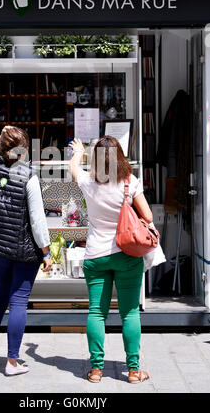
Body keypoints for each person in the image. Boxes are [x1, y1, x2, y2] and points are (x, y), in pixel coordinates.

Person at [69, 136, 152, 384]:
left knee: (97, 312)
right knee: (129, 313)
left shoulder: (88, 182)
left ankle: (96, 370)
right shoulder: (130, 182)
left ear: (96, 160)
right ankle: (134, 371)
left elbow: (73, 169)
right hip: (127, 255)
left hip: (96, 255)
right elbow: (147, 216)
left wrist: (79, 152)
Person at [0, 126, 52, 376]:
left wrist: (3, 134)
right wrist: (46, 253)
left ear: (1, 147)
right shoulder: (27, 175)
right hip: (23, 249)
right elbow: (38, 221)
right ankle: (12, 362)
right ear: (24, 150)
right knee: (18, 303)